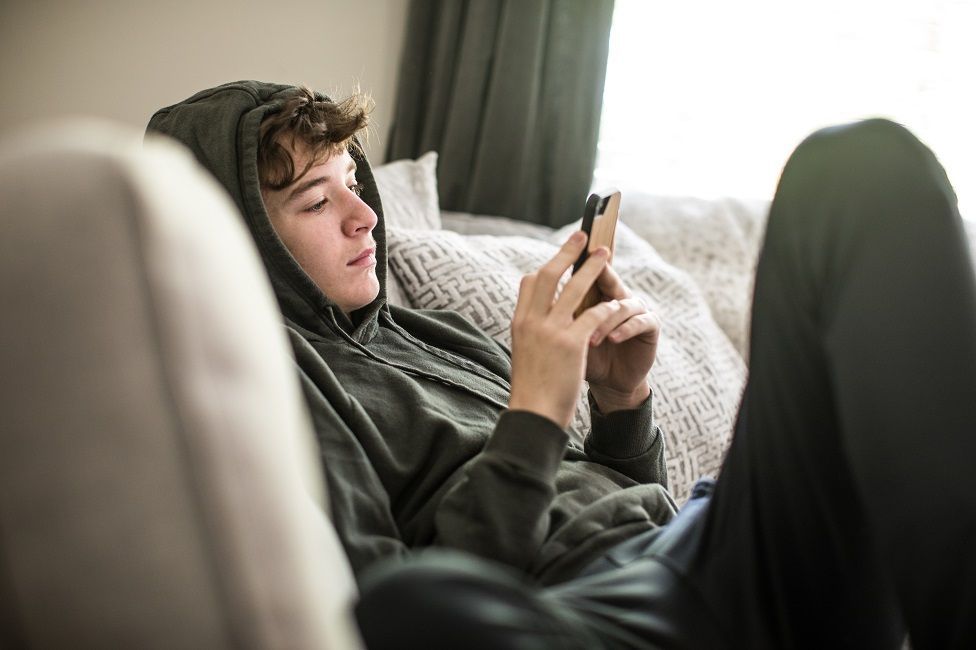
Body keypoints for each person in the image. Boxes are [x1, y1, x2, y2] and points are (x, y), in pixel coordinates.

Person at [149, 82, 976, 648]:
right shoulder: (275, 391)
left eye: (352, 182)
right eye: (318, 201)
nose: (365, 215)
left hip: (704, 547)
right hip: (594, 617)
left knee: (858, 167)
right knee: (412, 614)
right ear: (237, 238)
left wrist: (622, 406)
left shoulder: (431, 335)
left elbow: (611, 502)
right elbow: (382, 601)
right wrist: (537, 412)